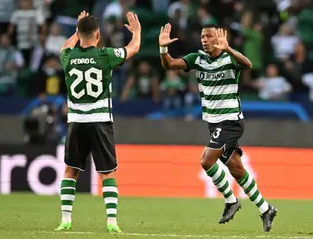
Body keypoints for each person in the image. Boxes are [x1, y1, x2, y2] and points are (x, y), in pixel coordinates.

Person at [158, 23, 278, 232]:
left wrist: (229, 49)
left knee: (206, 160)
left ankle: (231, 200)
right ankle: (266, 208)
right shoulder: (197, 59)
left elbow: (248, 65)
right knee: (237, 168)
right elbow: (169, 65)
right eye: (202, 36)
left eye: (209, 36)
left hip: (231, 121)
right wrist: (163, 49)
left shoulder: (229, 57)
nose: (204, 40)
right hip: (213, 122)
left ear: (219, 38)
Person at [55, 10, 141, 233]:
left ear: (79, 32)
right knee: (107, 173)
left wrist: (75, 33)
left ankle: (66, 220)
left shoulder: (68, 57)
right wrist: (137, 32)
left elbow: (63, 48)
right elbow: (133, 49)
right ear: (98, 34)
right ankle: (111, 222)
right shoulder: (105, 55)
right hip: (100, 121)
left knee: (70, 171)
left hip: (75, 122)